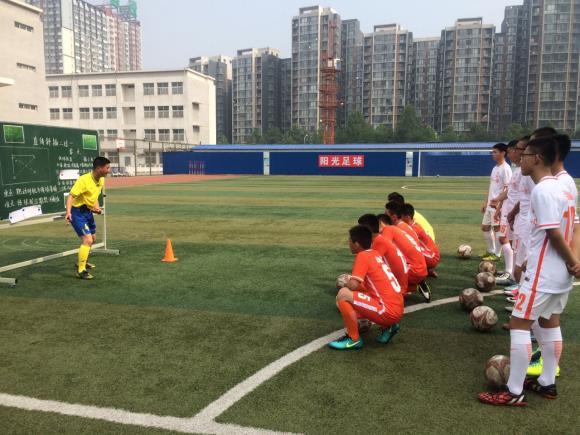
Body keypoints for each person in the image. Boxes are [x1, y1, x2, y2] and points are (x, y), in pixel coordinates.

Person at [479, 136, 580, 406]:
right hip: (560, 276)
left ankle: (513, 391)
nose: (520, 159)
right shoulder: (566, 188)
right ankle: (547, 382)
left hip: (544, 272)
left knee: (519, 324)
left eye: (525, 155)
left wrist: (573, 260)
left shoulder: (543, 190)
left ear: (537, 159)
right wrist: (574, 263)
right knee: (549, 322)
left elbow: (554, 234)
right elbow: (576, 225)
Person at [328, 225, 404, 350]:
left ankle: (353, 339)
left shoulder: (362, 256)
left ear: (356, 244)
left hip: (387, 311)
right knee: (353, 301)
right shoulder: (375, 254)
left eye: (349, 241)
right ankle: (389, 326)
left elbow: (353, 286)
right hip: (396, 307)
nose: (349, 244)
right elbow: (370, 285)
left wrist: (345, 281)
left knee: (343, 295)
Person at [66, 157, 111, 279]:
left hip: (88, 212)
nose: (109, 170)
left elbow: (94, 196)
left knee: (93, 238)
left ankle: (82, 261)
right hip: (77, 213)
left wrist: (96, 207)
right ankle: (81, 270)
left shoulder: (100, 180)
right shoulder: (83, 180)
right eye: (107, 168)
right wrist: (68, 212)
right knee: (88, 240)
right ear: (98, 168)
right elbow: (71, 196)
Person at [358, 213, 409, 297]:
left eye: (360, 230)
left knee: (347, 291)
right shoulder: (380, 239)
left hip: (395, 290)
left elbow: (372, 268)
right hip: (400, 285)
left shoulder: (379, 243)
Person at [378, 213, 428, 297]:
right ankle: (413, 286)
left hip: (414, 269)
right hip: (421, 267)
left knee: (383, 266)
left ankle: (400, 291)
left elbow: (382, 252)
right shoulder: (400, 228)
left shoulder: (388, 230)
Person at [481, 143, 512, 262]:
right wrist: (485, 202)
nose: (492, 154)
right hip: (490, 204)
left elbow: (506, 189)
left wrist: (499, 206)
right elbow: (491, 186)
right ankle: (491, 250)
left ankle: (497, 254)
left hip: (497, 205)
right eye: (492, 152)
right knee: (485, 227)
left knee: (497, 229)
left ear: (503, 153)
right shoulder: (495, 168)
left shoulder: (506, 169)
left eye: (495, 152)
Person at [402, 203, 440, 276]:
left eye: (400, 216)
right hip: (432, 254)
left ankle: (420, 274)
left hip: (432, 257)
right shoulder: (414, 224)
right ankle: (426, 269)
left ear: (407, 217)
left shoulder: (413, 229)